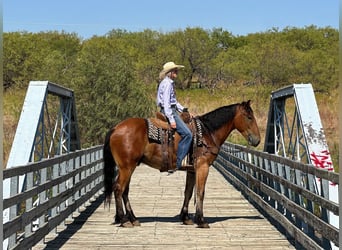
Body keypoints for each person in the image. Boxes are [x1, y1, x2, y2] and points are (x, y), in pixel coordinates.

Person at [157, 62, 193, 172]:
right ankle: (177, 162)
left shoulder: (167, 83)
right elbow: (167, 104)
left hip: (171, 110)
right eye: (175, 70)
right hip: (170, 112)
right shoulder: (168, 84)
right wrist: (172, 119)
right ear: (170, 72)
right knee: (188, 134)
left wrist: (184, 110)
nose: (176, 72)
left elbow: (174, 102)